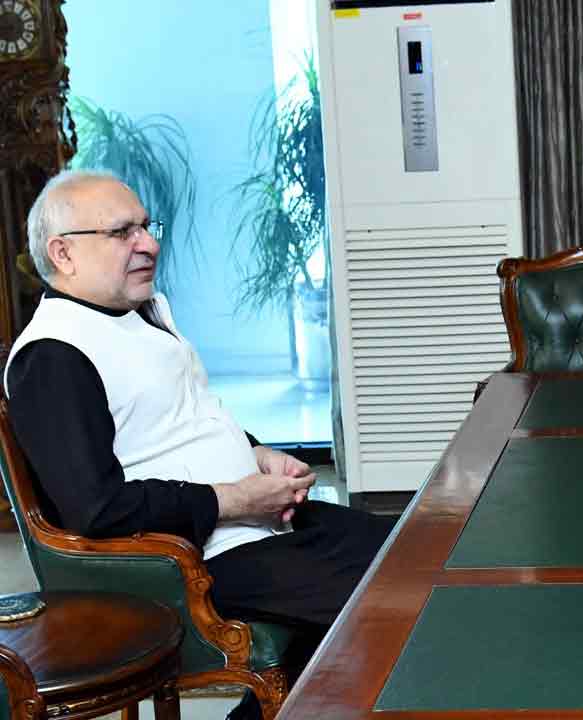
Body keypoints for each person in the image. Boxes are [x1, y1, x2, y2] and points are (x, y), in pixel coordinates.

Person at [5, 169, 397, 719]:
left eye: (147, 226)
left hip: (251, 529)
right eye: (122, 232)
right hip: (189, 562)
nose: (148, 243)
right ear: (63, 253)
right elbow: (97, 509)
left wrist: (257, 454)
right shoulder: (53, 356)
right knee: (401, 602)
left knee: (414, 552)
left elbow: (185, 418)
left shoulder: (136, 313)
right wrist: (234, 498)